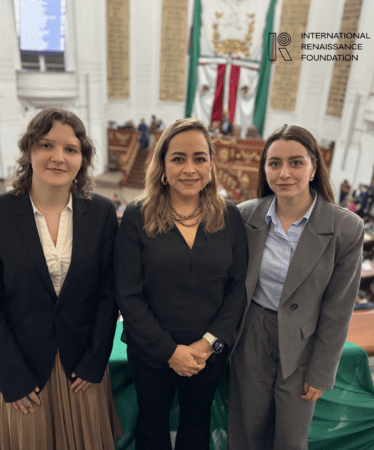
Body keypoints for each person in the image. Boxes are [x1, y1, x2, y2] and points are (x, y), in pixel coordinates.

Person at [0, 107, 121, 449]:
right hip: (23, 374)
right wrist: (11, 377)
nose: (58, 157)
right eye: (46, 145)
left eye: (71, 149)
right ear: (29, 149)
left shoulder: (101, 212)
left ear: (82, 159)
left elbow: (107, 295)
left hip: (82, 371)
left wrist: (95, 361)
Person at [228, 125, 364, 450]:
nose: (284, 173)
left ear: (314, 167)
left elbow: (338, 309)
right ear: (264, 169)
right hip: (252, 335)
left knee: (290, 437)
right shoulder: (245, 216)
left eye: (296, 163)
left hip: (305, 343)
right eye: (274, 163)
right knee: (246, 431)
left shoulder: (346, 228)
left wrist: (321, 372)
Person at [115, 118, 247, 450]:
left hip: (209, 353)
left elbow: (237, 290)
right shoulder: (137, 215)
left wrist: (207, 345)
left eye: (199, 158)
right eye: (178, 158)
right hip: (150, 350)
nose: (190, 169)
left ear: (211, 165)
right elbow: (128, 294)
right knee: (151, 423)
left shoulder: (230, 216)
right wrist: (170, 352)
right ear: (162, 167)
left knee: (198, 422)